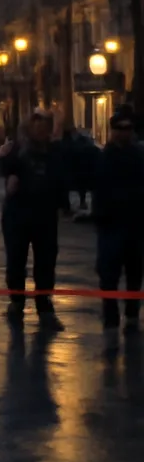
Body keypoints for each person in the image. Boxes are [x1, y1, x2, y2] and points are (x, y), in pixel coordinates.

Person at [0, 109, 72, 331]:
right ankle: (17, 301)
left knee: (46, 261)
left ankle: (44, 305)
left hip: (45, 215)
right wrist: (5, 166)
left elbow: (61, 179)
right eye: (37, 125)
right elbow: (6, 168)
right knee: (16, 259)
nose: (41, 130)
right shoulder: (17, 150)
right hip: (18, 214)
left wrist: (64, 205)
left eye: (45, 126)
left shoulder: (54, 151)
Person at [93, 105, 144, 347]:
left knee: (134, 273)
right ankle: (111, 318)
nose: (124, 132)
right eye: (120, 128)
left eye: (128, 128)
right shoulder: (104, 157)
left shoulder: (138, 156)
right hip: (111, 224)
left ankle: (132, 315)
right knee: (109, 274)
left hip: (134, 224)